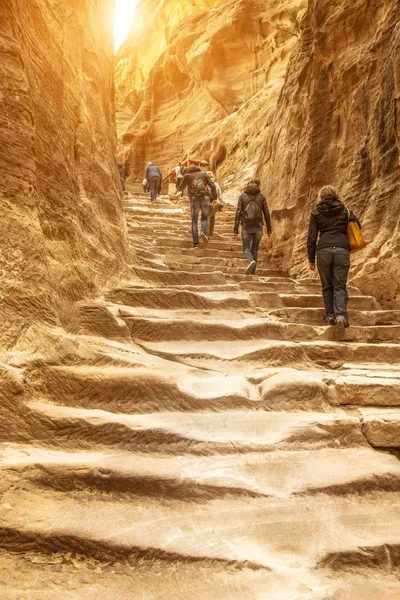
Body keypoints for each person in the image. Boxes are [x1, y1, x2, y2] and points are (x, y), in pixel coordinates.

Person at [307, 185, 362, 339]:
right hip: (341, 250)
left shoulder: (316, 212)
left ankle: (330, 315)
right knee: (339, 285)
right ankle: (341, 317)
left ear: (321, 197)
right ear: (335, 194)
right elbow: (358, 226)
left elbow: (311, 237)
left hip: (323, 251)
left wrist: (311, 258)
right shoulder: (345, 210)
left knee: (327, 286)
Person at [234, 178, 272, 275]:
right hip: (258, 226)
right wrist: (269, 229)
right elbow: (266, 213)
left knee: (246, 248)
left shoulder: (242, 196)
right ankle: (253, 273)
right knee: (254, 249)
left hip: (246, 225)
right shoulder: (261, 197)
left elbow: (238, 212)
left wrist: (236, 229)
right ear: (258, 186)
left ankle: (251, 261)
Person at [178, 166, 217, 247]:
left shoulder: (187, 176)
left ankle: (196, 243)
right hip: (205, 198)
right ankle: (203, 231)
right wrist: (214, 198)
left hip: (194, 199)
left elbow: (180, 188)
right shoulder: (204, 174)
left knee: (194, 221)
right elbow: (213, 186)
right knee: (204, 218)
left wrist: (179, 183)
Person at [205, 171, 223, 237]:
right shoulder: (216, 184)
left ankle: (207, 233)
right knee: (212, 216)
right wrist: (221, 204)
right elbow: (219, 194)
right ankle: (211, 232)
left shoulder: (205, 184)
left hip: (207, 202)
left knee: (208, 216)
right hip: (215, 203)